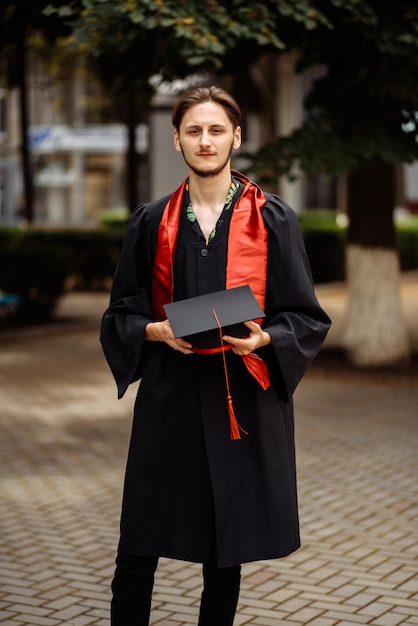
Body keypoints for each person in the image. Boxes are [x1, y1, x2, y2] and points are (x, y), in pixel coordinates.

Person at [100, 85, 331, 626]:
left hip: (239, 403)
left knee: (223, 547)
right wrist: (155, 331)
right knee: (137, 541)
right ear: (177, 140)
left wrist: (266, 339)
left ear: (237, 137)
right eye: (195, 131)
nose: (206, 141)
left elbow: (305, 315)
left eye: (217, 129)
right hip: (169, 400)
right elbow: (119, 315)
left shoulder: (273, 219)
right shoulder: (151, 221)